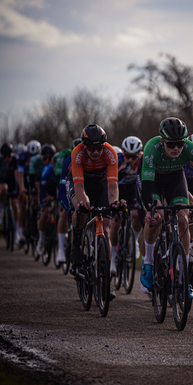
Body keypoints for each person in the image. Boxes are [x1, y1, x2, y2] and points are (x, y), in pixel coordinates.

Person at [136, 117, 193, 299]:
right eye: (171, 144)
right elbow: (147, 189)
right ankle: (148, 263)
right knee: (156, 216)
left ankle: (183, 277)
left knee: (183, 219)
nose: (176, 148)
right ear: (162, 141)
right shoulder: (151, 149)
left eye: (180, 144)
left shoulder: (190, 148)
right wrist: (150, 208)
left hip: (175, 179)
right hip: (153, 180)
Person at [70, 124, 120, 300]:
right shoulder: (77, 153)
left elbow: (113, 186)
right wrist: (84, 203)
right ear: (85, 146)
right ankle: (76, 246)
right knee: (81, 210)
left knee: (105, 227)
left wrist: (113, 204)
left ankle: (106, 278)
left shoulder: (110, 153)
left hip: (101, 186)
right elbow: (79, 186)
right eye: (91, 148)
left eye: (99, 147)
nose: (96, 152)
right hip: (81, 185)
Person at [110, 136, 143, 275]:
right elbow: (109, 180)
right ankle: (112, 258)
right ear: (123, 153)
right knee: (116, 222)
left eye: (133, 156)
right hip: (118, 189)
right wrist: (120, 171)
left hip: (134, 190)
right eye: (127, 156)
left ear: (139, 154)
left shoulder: (142, 160)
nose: (130, 159)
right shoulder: (117, 159)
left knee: (136, 214)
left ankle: (133, 240)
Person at [54, 139, 81, 265]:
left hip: (83, 188)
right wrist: (67, 206)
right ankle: (60, 249)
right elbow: (61, 187)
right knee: (64, 214)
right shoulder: (67, 160)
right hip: (68, 187)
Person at [0, 143, 20, 244]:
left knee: (15, 204)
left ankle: (16, 231)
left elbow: (16, 175)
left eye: (9, 155)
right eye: (5, 156)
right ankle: (0, 211)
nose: (7, 158)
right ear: (2, 156)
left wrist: (17, 188)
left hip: (12, 180)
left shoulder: (15, 160)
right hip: (2, 180)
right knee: (3, 188)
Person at [17, 140, 41, 245]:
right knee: (23, 204)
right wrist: (22, 188)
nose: (32, 158)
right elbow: (20, 174)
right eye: (30, 155)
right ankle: (21, 233)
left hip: (36, 180)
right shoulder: (23, 157)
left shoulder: (42, 158)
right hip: (26, 182)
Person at [35, 144, 57, 256]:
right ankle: (41, 240)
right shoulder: (46, 170)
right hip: (45, 192)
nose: (47, 161)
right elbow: (42, 187)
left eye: (50, 159)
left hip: (56, 193)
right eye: (45, 159)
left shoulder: (59, 167)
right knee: (46, 212)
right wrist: (47, 197)